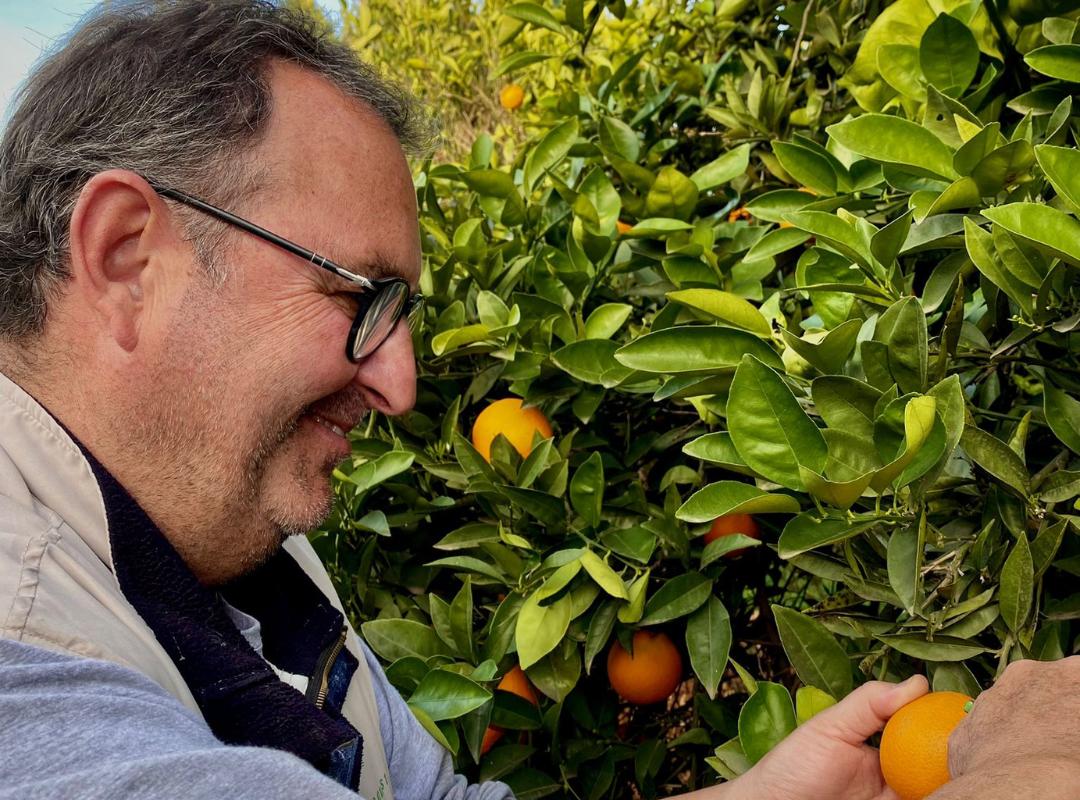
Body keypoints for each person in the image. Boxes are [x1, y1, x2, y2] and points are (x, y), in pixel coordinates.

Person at [0, 2, 1078, 799]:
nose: (402, 382)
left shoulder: (232, 552)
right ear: (127, 255)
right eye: (364, 294)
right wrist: (1043, 759)